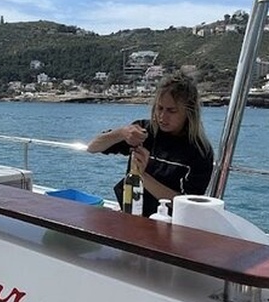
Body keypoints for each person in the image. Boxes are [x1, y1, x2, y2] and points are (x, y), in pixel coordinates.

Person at [87, 72, 214, 217]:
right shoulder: (142, 132)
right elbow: (92, 147)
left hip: (169, 225)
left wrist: (141, 175)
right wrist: (122, 133)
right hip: (131, 216)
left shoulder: (199, 151)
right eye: (159, 108)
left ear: (189, 112)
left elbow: (188, 205)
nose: (162, 117)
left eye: (171, 111)